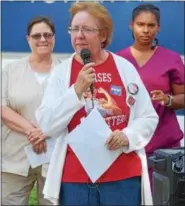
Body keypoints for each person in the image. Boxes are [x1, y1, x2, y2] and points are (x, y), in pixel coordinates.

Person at [35, 2, 158, 206]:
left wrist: (127, 136)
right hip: (75, 180)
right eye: (74, 29)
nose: (79, 35)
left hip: (123, 178)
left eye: (87, 29)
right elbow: (46, 124)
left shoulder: (124, 68)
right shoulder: (61, 72)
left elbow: (148, 116)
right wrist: (76, 91)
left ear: (103, 35)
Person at [116, 4, 185, 191]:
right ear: (131, 25)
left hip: (164, 147)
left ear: (158, 27)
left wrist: (168, 100)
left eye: (151, 25)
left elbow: (183, 97)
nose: (145, 30)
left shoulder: (171, 59)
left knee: (164, 198)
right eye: (140, 24)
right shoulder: (118, 60)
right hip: (129, 145)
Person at [1, 16, 61, 205]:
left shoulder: (65, 72)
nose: (42, 39)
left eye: (47, 35)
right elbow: (3, 109)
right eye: (37, 36)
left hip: (53, 161)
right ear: (28, 39)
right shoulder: (10, 70)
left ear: (54, 38)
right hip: (14, 160)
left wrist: (45, 132)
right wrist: (33, 131)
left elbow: (70, 111)